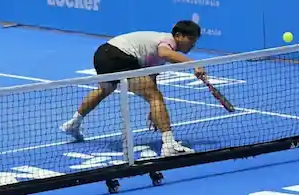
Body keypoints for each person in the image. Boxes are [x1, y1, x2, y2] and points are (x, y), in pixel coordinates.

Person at [62, 20, 204, 157]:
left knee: (105, 90)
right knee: (154, 96)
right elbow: (164, 53)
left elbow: (150, 77)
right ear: (178, 36)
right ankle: (169, 145)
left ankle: (73, 123)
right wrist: (194, 63)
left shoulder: (157, 51)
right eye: (190, 39)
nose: (192, 44)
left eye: (195, 41)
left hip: (103, 55)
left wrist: (154, 109)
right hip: (119, 56)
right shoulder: (167, 41)